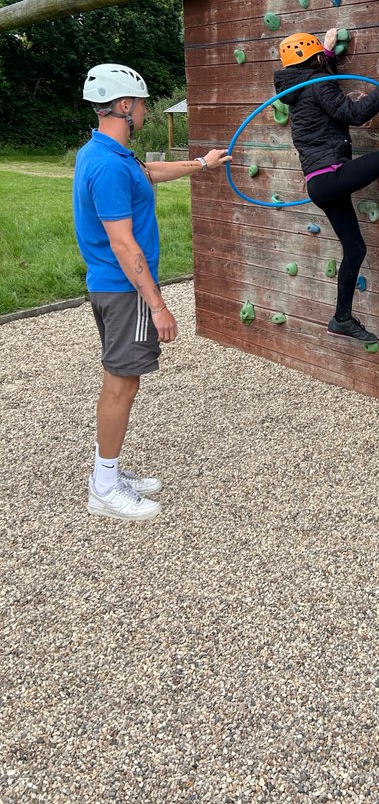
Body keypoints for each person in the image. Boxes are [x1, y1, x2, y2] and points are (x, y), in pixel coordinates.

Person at [74, 63, 231, 520]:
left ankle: (108, 472)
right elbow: (124, 244)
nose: (143, 112)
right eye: (141, 105)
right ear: (125, 105)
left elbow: (149, 172)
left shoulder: (107, 152)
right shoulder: (106, 165)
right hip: (125, 290)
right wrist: (158, 305)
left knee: (120, 379)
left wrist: (201, 164)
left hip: (112, 287)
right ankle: (104, 487)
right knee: (122, 383)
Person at [273, 29, 379, 346]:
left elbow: (321, 88)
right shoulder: (317, 85)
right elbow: (352, 113)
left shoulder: (299, 89)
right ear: (312, 60)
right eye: (319, 57)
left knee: (355, 249)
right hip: (331, 175)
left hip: (320, 183)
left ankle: (341, 319)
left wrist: (327, 53)